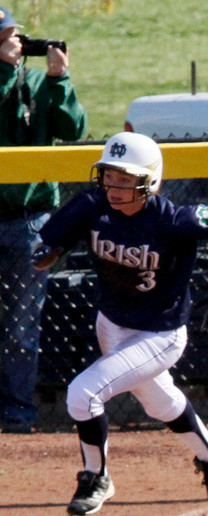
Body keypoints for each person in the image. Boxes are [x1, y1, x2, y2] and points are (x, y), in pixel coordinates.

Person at [34, 131, 208, 516]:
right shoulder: (91, 206)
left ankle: (96, 476)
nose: (114, 187)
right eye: (109, 176)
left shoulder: (174, 220)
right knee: (158, 402)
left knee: (82, 395)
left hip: (160, 334)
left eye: (125, 178)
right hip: (112, 325)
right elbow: (47, 247)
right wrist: (46, 252)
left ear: (149, 181)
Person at [0, 6, 87, 433]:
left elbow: (72, 130)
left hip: (29, 220)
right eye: (5, 37)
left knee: (20, 326)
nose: (16, 44)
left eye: (16, 36)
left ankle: (18, 415)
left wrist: (59, 80)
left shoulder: (36, 83)